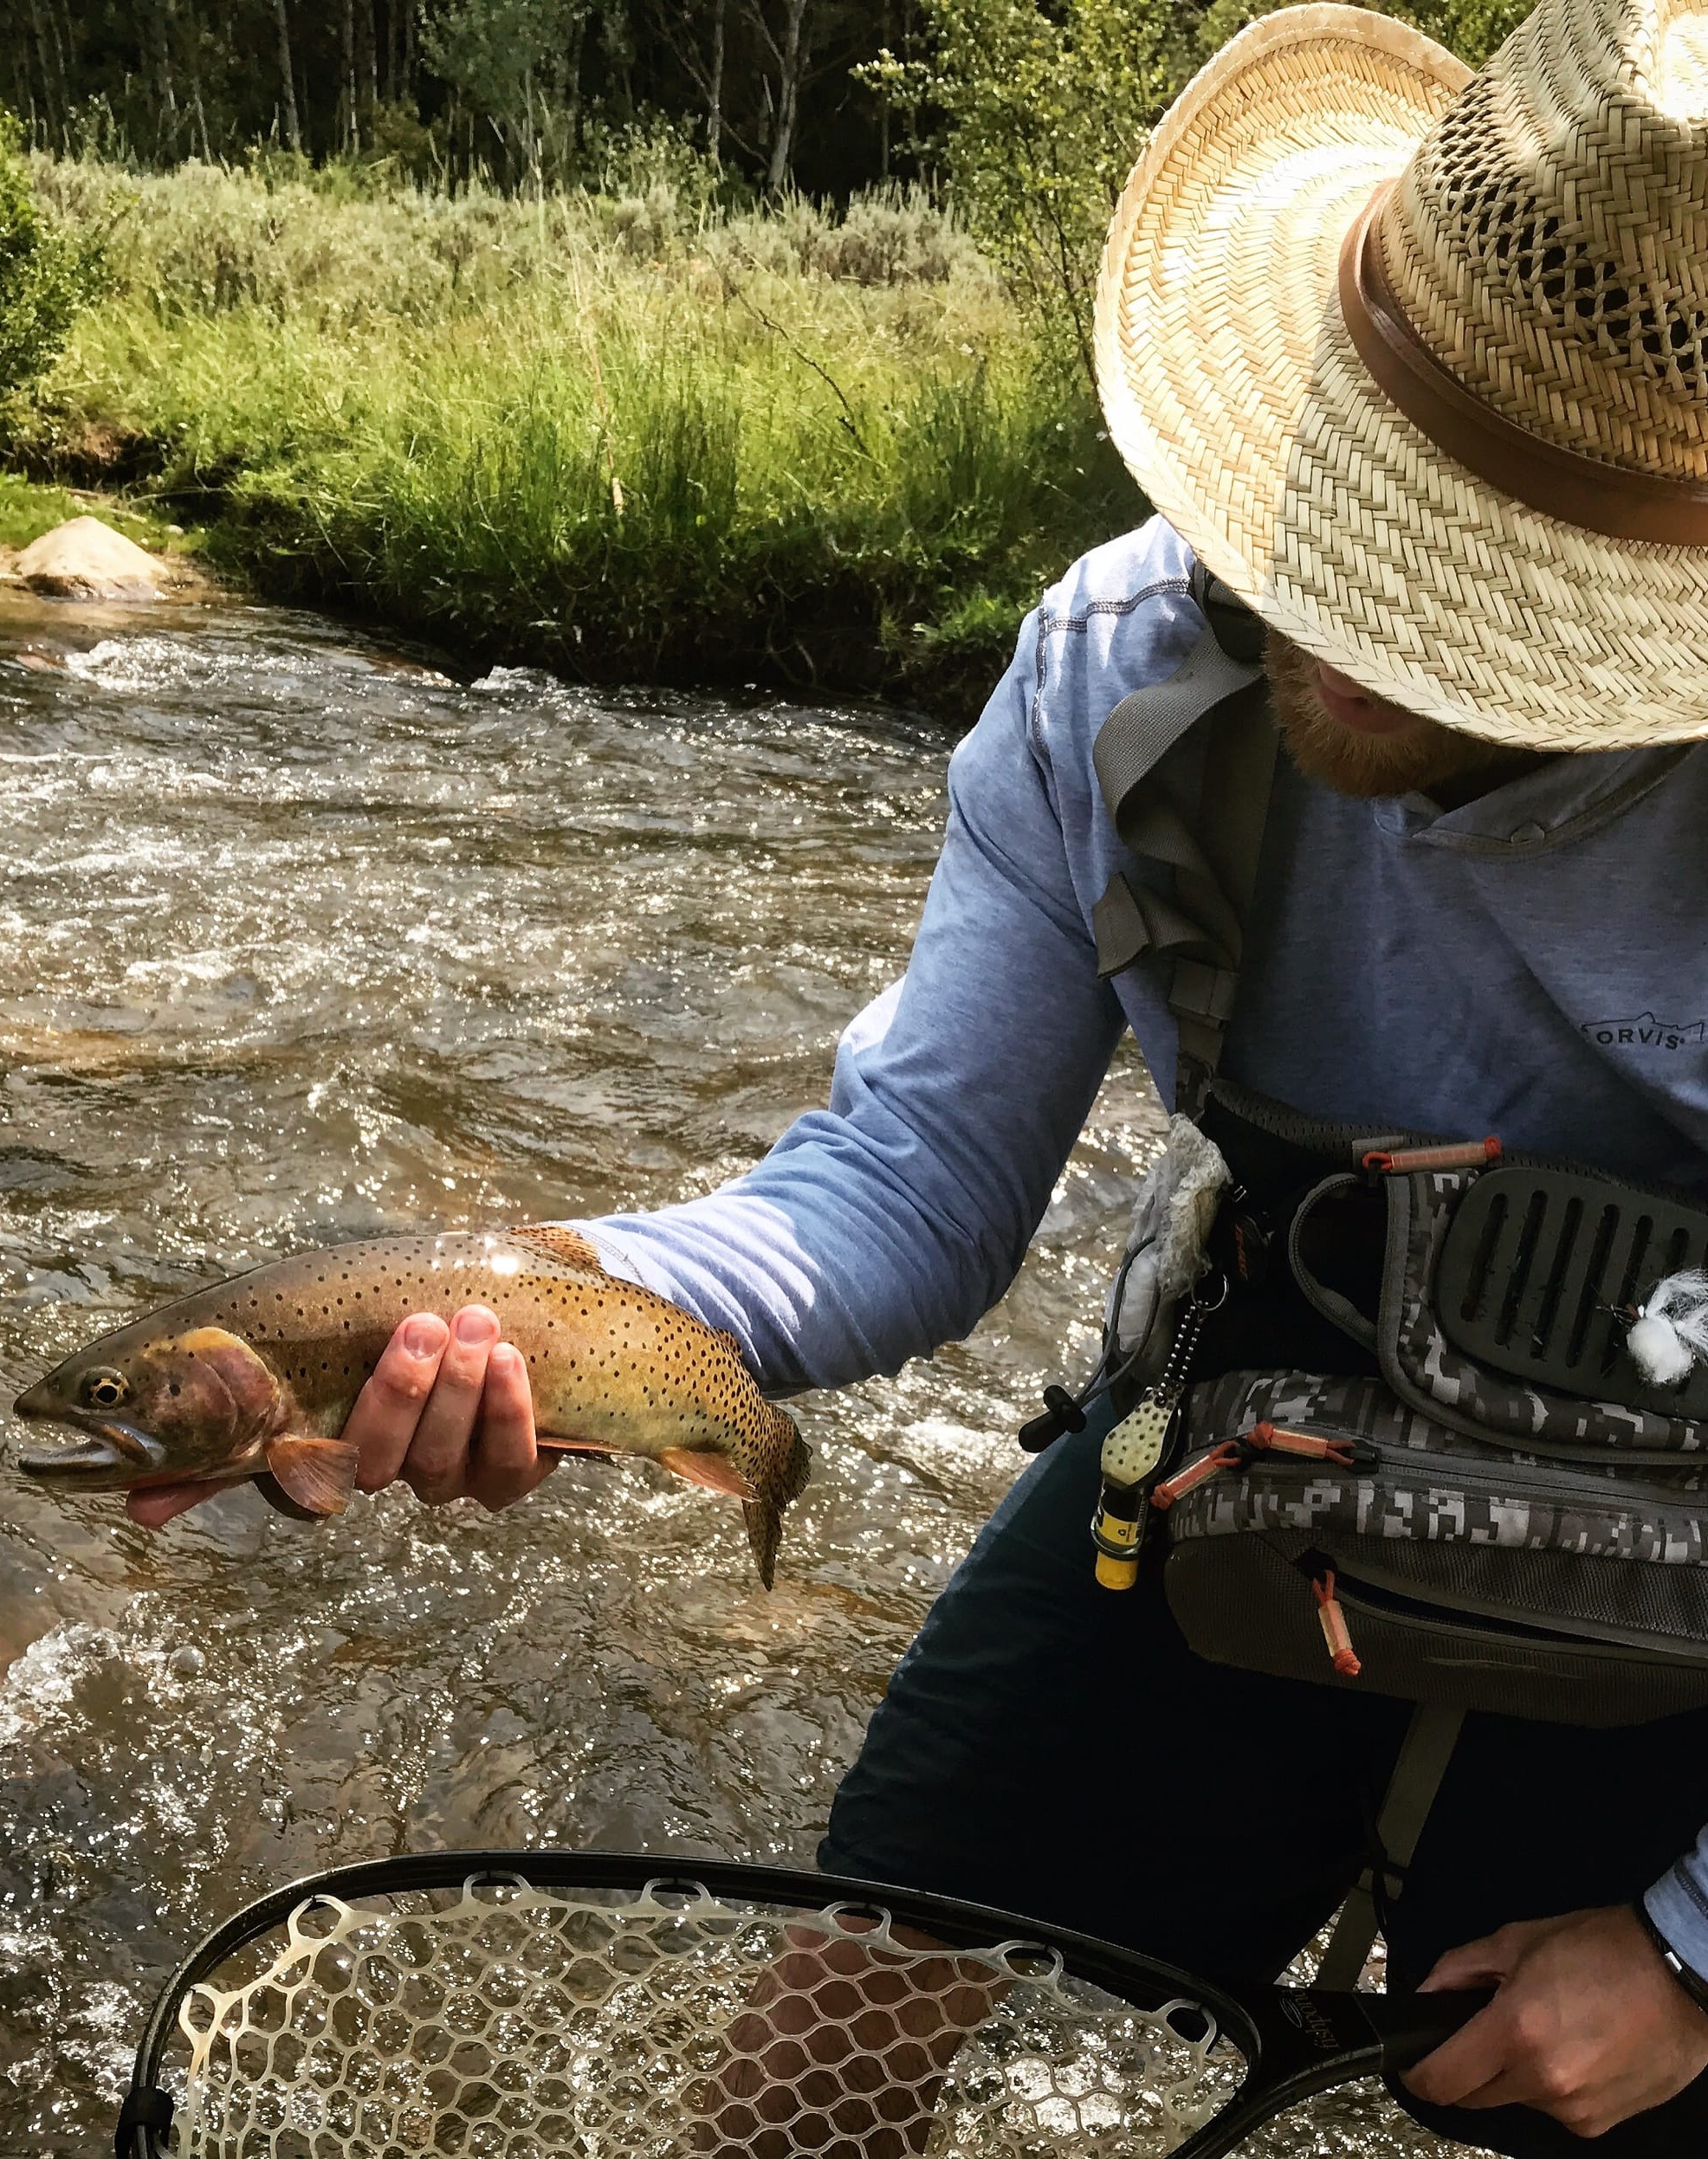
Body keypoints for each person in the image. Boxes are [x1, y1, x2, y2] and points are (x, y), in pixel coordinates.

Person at [134, 0, 1708, 2146]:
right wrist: (525, 1300)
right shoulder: (1126, 663)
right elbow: (907, 1183)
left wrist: (1694, 1944)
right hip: (1262, 1398)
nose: (1326, 616)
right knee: (820, 2046)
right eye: (1334, 501)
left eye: (1462, 600)